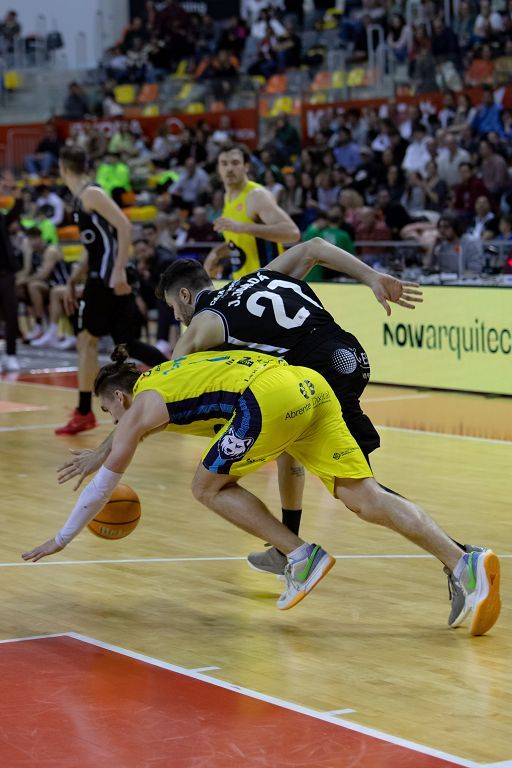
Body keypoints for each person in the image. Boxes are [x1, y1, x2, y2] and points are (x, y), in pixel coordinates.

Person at [23, 346, 501, 637]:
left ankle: (299, 556)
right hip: (309, 386)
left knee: (205, 486)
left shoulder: (144, 402)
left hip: (266, 397)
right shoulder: (176, 372)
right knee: (365, 498)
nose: (114, 423)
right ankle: (464, 562)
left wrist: (63, 538)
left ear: (121, 398)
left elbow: (107, 479)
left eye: (110, 412)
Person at [54, 146, 167, 436]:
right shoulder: (79, 200)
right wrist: (72, 279)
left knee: (86, 341)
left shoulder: (91, 194)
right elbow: (93, 249)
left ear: (62, 168)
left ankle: (83, 412)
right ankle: (179, 377)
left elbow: (125, 226)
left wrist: (117, 271)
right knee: (127, 343)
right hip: (100, 276)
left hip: (106, 279)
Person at [204, 143, 300, 280]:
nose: (229, 168)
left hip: (268, 284)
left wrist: (243, 227)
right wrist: (218, 252)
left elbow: (292, 233)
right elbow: (244, 241)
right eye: (224, 164)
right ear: (218, 169)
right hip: (245, 285)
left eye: (235, 163)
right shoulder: (227, 198)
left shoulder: (256, 195)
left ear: (246, 166)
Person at [0, 170, 22, 372]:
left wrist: (16, 193)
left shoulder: (2, 217)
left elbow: (16, 211)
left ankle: (12, 354)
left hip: (6, 273)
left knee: (11, 315)